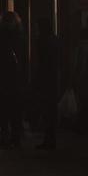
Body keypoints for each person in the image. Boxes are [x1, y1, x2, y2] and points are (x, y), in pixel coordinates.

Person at [0, 11, 26, 148]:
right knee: (16, 109)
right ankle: (16, 137)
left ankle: (4, 136)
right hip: (16, 78)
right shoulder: (20, 36)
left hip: (2, 77)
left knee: (3, 109)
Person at [30, 17, 60, 149]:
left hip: (45, 78)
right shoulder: (55, 40)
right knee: (51, 109)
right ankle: (51, 137)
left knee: (46, 108)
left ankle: (48, 138)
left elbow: (41, 62)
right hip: (53, 77)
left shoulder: (41, 41)